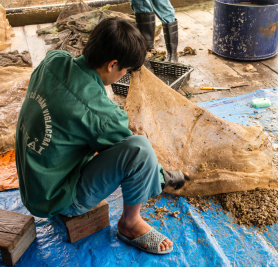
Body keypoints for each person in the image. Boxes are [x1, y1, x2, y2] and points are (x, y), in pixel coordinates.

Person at [15, 17, 186, 255]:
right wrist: (162, 176)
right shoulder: (100, 114)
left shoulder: (54, 60)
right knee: (140, 148)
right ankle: (130, 223)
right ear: (112, 64)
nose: (123, 74)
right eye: (125, 70)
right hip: (57, 198)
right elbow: (133, 153)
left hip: (32, 184)